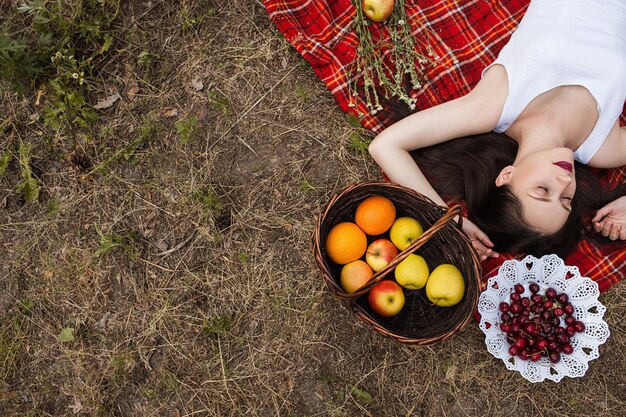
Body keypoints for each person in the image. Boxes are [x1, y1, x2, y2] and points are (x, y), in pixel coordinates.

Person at [368, 0, 626, 261]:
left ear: (507, 175)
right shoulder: (603, 147)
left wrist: (447, 218)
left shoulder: (494, 106)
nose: (564, 182)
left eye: (543, 191)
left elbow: (386, 146)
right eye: (566, 201)